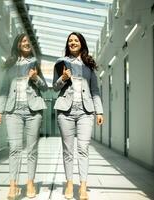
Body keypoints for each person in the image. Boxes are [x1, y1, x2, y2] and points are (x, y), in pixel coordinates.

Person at [0, 33, 48, 199]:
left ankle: (30, 183)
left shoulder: (35, 64)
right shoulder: (10, 65)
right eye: (24, 41)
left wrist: (35, 78)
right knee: (15, 148)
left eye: (29, 42)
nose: (27, 43)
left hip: (33, 112)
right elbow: (4, 89)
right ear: (18, 44)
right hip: (13, 111)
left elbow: (45, 87)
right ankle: (13, 185)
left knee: (32, 149)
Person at [53, 32, 104, 200]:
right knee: (68, 150)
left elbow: (95, 90)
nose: (72, 43)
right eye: (70, 41)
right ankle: (69, 183)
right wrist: (63, 78)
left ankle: (82, 186)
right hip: (65, 112)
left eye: (76, 40)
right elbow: (54, 87)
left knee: (83, 149)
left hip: (85, 112)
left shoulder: (88, 65)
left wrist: (99, 111)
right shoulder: (61, 63)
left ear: (81, 43)